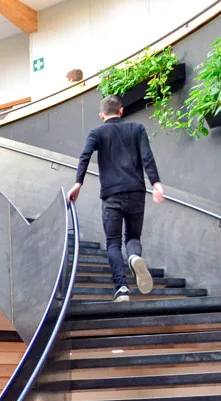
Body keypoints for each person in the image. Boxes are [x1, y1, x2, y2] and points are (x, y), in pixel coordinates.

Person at [69, 95, 166, 303]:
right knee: (133, 237)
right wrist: (156, 183)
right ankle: (133, 257)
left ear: (101, 115)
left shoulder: (97, 133)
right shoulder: (137, 129)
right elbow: (147, 156)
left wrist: (78, 183)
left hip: (112, 195)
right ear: (121, 111)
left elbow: (85, 156)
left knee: (113, 243)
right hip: (136, 191)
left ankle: (121, 289)